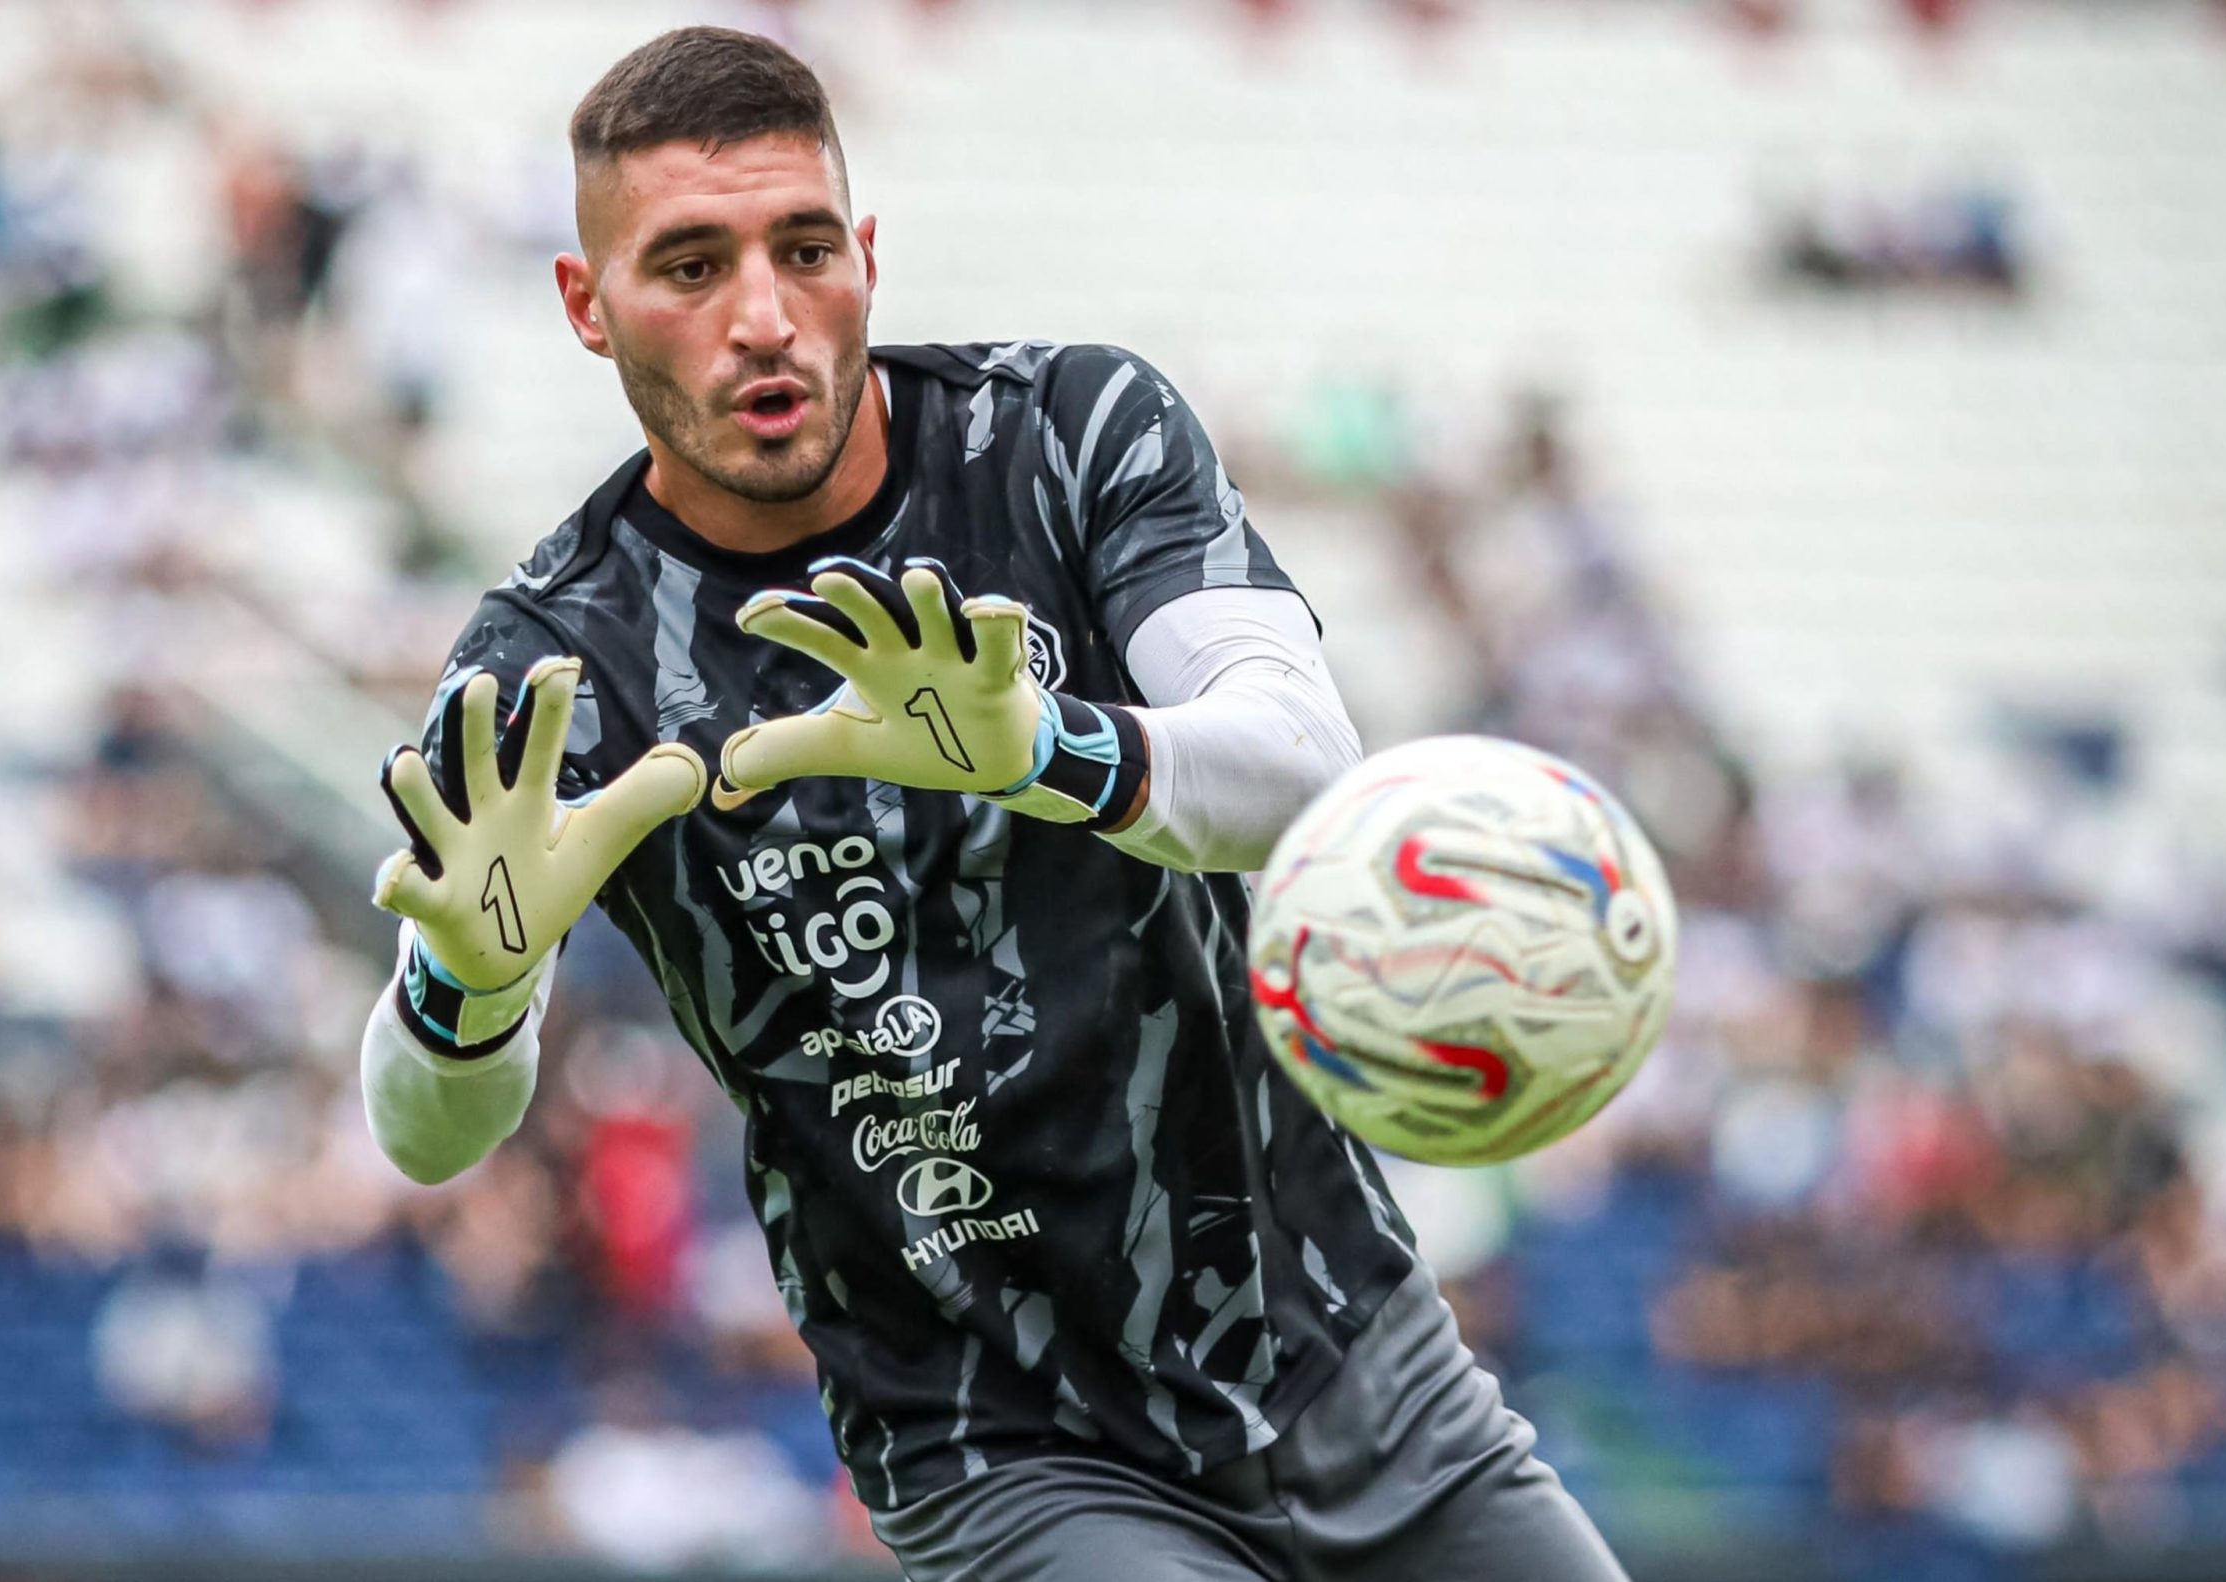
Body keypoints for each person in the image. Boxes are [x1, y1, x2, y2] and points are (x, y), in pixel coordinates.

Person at [358, 26, 1622, 1580]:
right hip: (1000, 1446)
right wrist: (470, 979)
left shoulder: (1072, 436)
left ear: (866, 258)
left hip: (1359, 1365)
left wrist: (1047, 750)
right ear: (587, 305)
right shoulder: (553, 662)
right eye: (688, 266)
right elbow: (424, 1131)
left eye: (802, 247)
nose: (765, 317)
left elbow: (1300, 768)